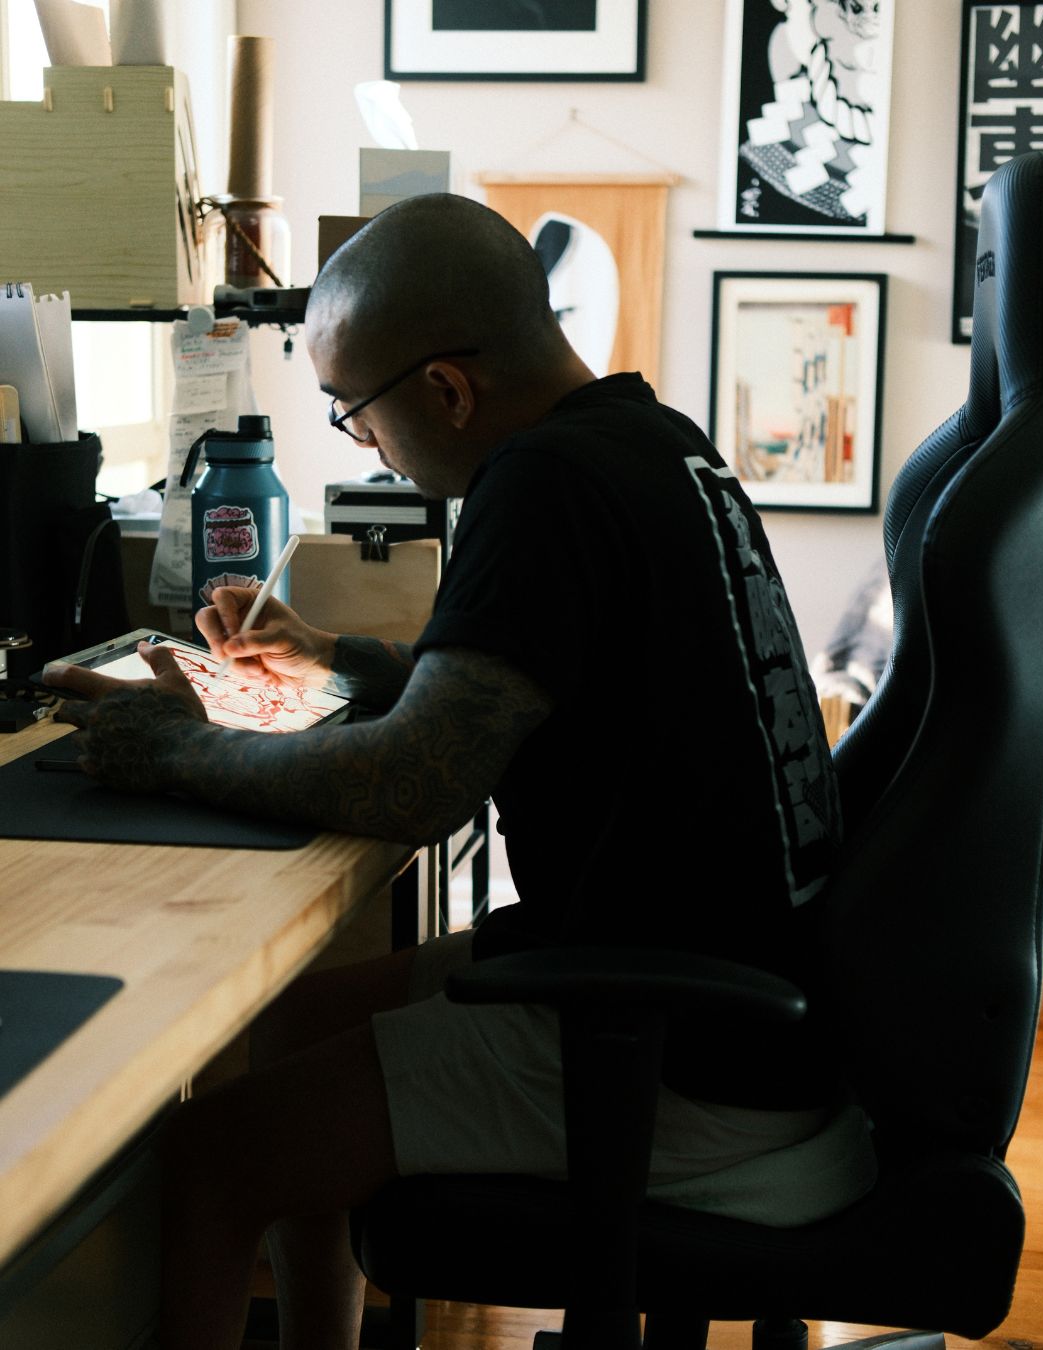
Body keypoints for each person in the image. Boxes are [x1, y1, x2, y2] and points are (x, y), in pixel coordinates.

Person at [45, 194, 873, 1350]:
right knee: (295, 1021)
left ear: (445, 390)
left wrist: (171, 748)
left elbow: (411, 788)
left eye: (354, 412)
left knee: (209, 1154)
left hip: (678, 1053)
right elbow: (525, 682)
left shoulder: (539, 489)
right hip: (720, 986)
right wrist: (329, 655)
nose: (364, 442)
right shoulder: (653, 443)